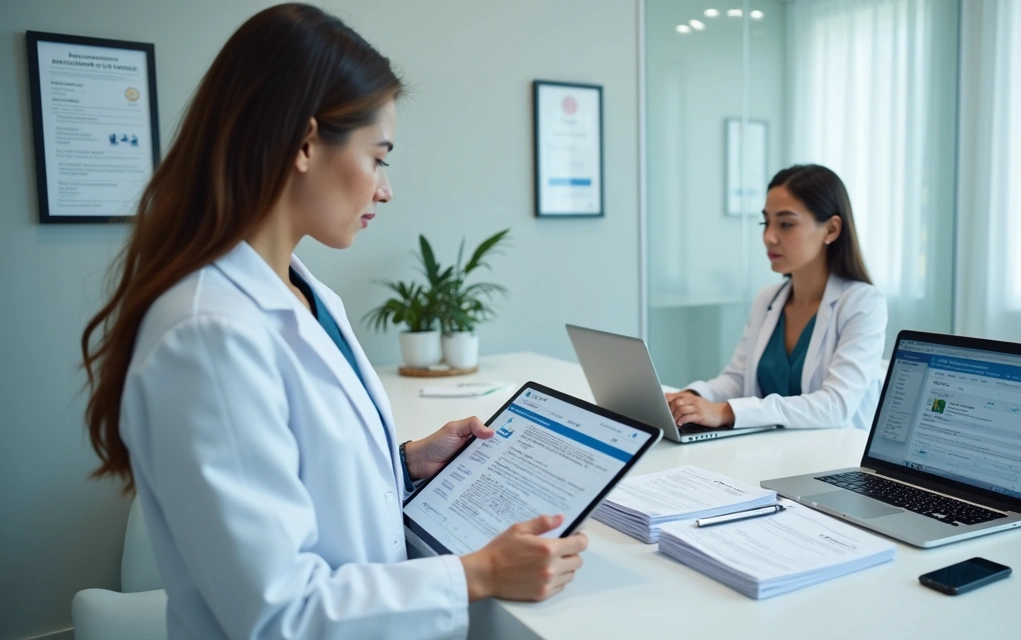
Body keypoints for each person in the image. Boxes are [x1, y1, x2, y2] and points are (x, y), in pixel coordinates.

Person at [80, 5, 585, 638]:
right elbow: (277, 612)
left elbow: (302, 477)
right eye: (379, 157)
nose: (385, 190)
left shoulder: (299, 290)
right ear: (304, 143)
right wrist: (478, 573)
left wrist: (403, 464)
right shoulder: (209, 335)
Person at [665, 164, 887, 431]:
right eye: (765, 222)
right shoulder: (768, 299)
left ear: (831, 230)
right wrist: (692, 399)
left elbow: (835, 406)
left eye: (786, 224)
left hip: (833, 457)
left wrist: (726, 412)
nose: (769, 237)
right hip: (771, 451)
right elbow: (737, 379)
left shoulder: (862, 303)